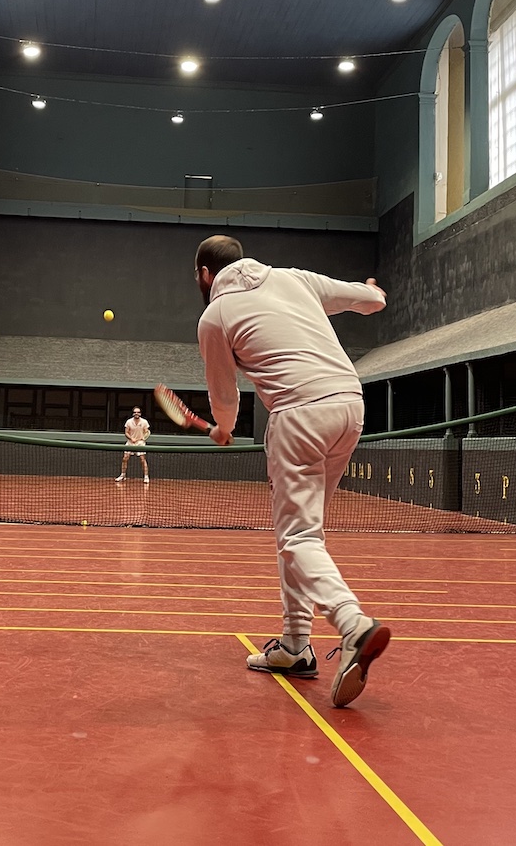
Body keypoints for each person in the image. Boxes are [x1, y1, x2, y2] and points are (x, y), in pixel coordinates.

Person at [193, 234, 390, 708]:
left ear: (204, 275)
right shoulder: (293, 278)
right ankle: (295, 648)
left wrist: (223, 428)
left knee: (298, 539)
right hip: (350, 406)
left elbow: (225, 394)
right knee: (304, 536)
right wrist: (373, 292)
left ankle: (351, 623)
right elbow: (366, 301)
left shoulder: (214, 316)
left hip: (299, 414)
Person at [116, 405, 151, 484]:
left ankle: (146, 476)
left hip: (140, 443)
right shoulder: (128, 422)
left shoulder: (144, 422)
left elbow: (146, 432)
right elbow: (126, 432)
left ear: (140, 413)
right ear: (133, 414)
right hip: (130, 442)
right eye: (135, 412)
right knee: (125, 458)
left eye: (138, 412)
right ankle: (123, 475)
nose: (136, 414)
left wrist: (142, 438)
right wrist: (131, 439)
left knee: (142, 460)